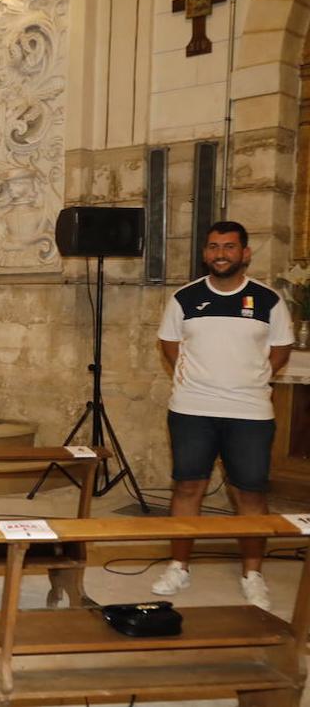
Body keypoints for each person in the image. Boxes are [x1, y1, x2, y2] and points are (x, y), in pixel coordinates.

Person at [153, 221, 292, 611]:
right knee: (187, 488)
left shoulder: (268, 300)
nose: (220, 254)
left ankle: (252, 574)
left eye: (229, 247)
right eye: (213, 247)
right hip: (192, 408)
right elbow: (168, 342)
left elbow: (280, 349)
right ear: (205, 253)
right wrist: (195, 377)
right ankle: (178, 565)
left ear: (245, 254)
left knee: (249, 493)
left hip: (249, 411)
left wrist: (254, 377)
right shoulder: (185, 298)